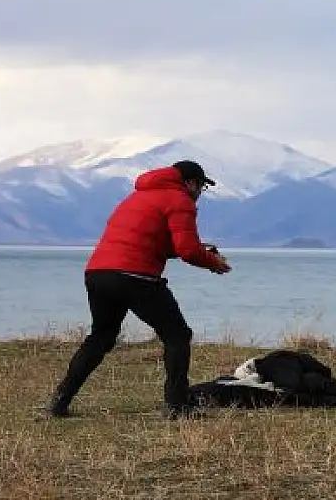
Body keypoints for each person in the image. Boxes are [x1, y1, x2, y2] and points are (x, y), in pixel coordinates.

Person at [44, 160, 231, 420]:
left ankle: (59, 402)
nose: (200, 193)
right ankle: (176, 407)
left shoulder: (136, 197)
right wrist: (214, 264)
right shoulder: (180, 200)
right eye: (201, 187)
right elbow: (188, 250)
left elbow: (150, 243)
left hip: (98, 273)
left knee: (101, 337)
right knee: (177, 334)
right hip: (135, 275)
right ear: (190, 182)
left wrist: (200, 251)